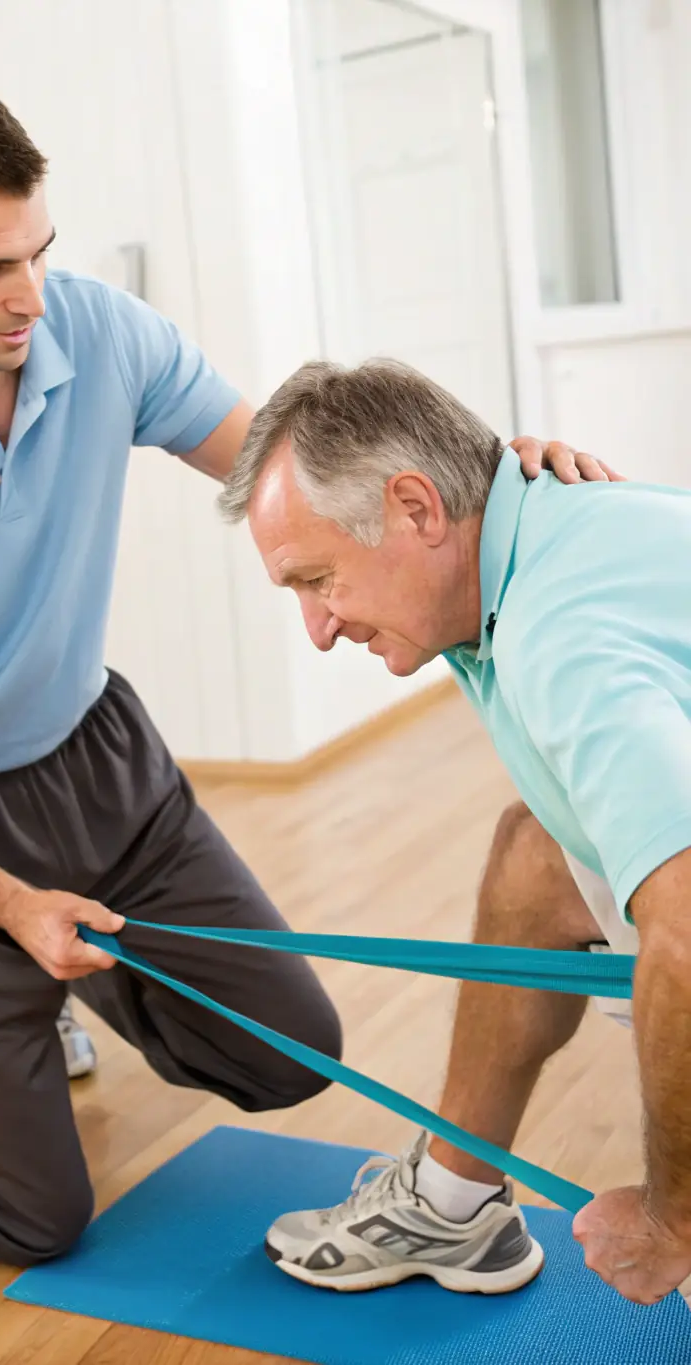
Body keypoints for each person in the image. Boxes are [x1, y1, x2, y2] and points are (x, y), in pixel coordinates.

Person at [0, 68, 605, 1269]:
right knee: (29, 1223)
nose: (29, 295)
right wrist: (8, 904)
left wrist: (483, 480)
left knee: (285, 1050)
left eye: (39, 252)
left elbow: (286, 464)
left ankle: (33, 1007)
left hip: (95, 768)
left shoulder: (95, 331)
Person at [219, 355, 691, 1307]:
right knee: (537, 857)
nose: (317, 626)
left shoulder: (561, 637)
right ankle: (449, 1198)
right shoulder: (545, 527)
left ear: (416, 507)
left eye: (319, 579)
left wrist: (676, 1215)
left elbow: (687, 935)